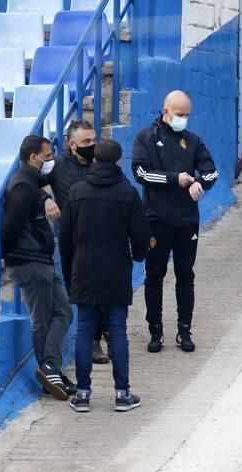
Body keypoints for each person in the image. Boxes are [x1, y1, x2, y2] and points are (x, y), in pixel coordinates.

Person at [59, 139, 151, 412]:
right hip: (116, 269)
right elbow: (141, 235)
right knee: (118, 330)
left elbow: (64, 239)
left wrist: (70, 272)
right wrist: (137, 256)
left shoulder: (76, 192)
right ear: (118, 161)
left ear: (95, 160)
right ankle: (122, 394)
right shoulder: (127, 193)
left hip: (83, 270)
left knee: (85, 330)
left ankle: (83, 394)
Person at [131, 90, 219, 354]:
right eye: (179, 115)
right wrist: (174, 179)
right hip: (156, 219)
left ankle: (184, 330)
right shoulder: (145, 137)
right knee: (154, 275)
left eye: (187, 115)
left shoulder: (192, 141)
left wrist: (200, 184)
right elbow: (140, 173)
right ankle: (155, 331)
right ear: (165, 111)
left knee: (185, 275)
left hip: (186, 220)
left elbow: (211, 172)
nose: (183, 119)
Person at [1, 135, 74, 400]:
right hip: (29, 262)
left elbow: (38, 187)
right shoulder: (22, 186)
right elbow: (8, 229)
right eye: (49, 155)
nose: (52, 160)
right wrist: (19, 255)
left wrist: (44, 197)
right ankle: (50, 375)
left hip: (41, 261)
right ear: (34, 158)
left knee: (64, 312)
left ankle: (50, 368)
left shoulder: (30, 182)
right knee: (41, 321)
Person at [41, 121, 112, 365]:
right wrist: (45, 198)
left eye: (94, 141)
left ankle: (109, 333)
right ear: (72, 145)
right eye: (86, 142)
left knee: (105, 289)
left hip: (104, 238)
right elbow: (28, 180)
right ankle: (93, 341)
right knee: (82, 293)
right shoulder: (57, 167)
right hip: (75, 243)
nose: (92, 146)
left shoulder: (103, 162)